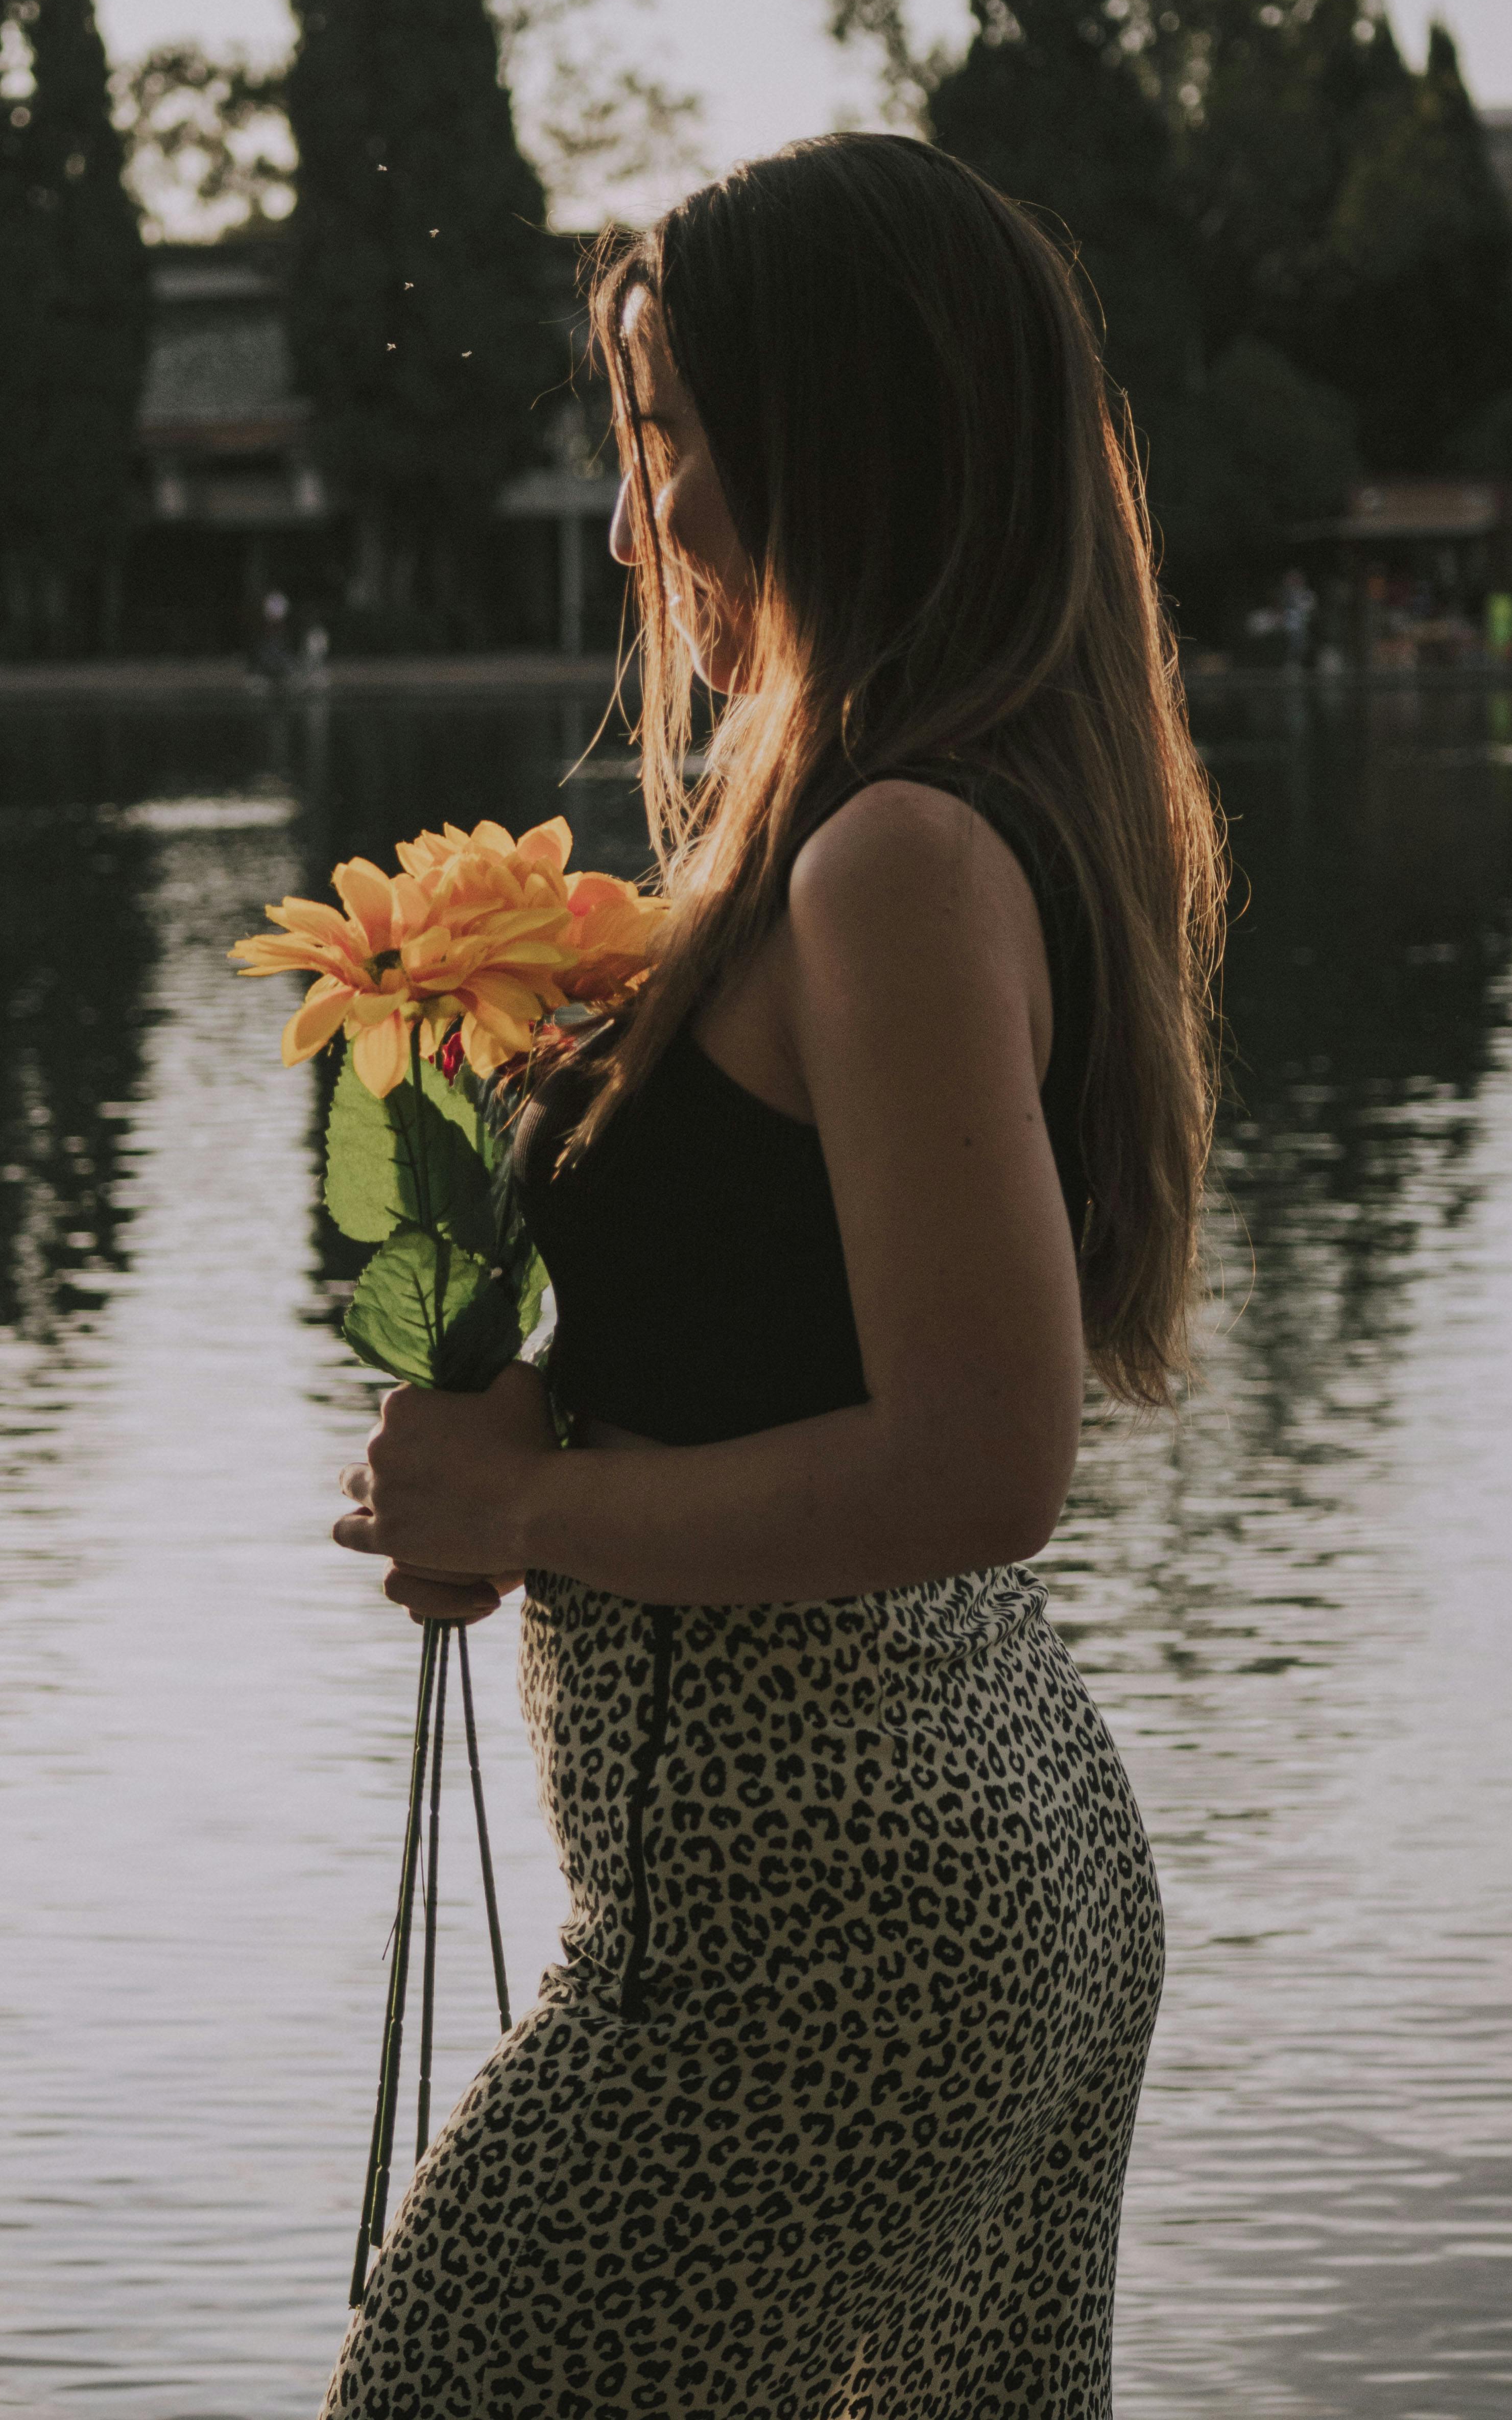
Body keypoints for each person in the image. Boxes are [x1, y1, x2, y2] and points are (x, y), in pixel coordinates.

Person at [325, 133, 1226, 2418]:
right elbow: (790, 1333)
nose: (637, 525)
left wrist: (523, 1514)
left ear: (841, 450)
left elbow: (975, 1458)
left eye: (673, 449)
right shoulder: (873, 817)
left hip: (827, 1933)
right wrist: (535, 1411)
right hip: (896, 1884)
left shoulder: (901, 857)